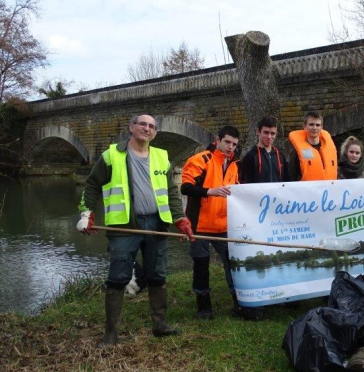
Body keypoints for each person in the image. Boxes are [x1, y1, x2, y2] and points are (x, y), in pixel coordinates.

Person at [77, 114, 194, 347]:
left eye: (151, 126)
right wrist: (86, 213)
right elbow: (92, 185)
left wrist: (180, 218)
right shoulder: (111, 155)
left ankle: (160, 325)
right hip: (124, 226)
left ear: (155, 132)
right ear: (131, 127)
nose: (147, 128)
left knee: (157, 275)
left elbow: (171, 192)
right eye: (142, 124)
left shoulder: (162, 157)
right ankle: (111, 335)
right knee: (118, 278)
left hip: (156, 224)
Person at [182, 126, 251, 320]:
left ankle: (239, 301)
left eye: (234, 144)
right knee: (201, 266)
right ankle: (204, 305)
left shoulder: (234, 164)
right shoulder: (200, 160)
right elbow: (186, 188)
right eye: (227, 142)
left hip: (224, 226)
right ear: (217, 139)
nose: (231, 147)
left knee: (233, 264)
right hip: (200, 226)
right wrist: (209, 191)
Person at [287, 110, 338, 181]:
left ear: (321, 127)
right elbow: (291, 176)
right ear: (304, 126)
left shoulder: (330, 149)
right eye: (311, 124)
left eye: (318, 125)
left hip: (328, 191)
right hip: (307, 191)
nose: (315, 128)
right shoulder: (296, 152)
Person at [239, 116, 288, 184]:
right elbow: (245, 184)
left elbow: (286, 182)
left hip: (277, 194)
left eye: (272, 133)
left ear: (276, 134)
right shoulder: (250, 156)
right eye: (266, 132)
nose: (269, 137)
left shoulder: (280, 156)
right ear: (258, 132)